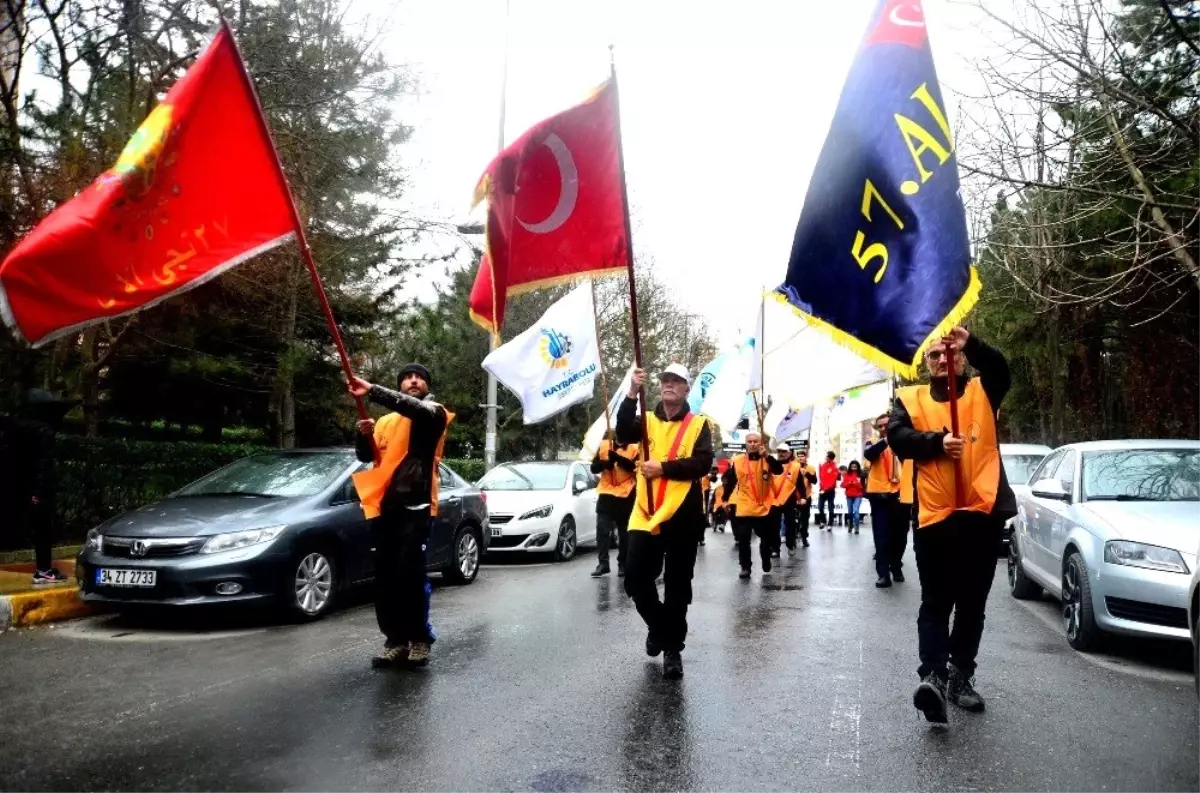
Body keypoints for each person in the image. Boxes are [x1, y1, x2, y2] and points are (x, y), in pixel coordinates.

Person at [888, 326, 1015, 726]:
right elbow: (899, 438)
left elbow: (1001, 369)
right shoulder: (910, 398)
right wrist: (936, 443)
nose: (944, 360)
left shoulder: (982, 389)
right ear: (925, 364)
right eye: (934, 356)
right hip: (935, 515)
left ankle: (962, 676)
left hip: (982, 511)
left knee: (972, 603)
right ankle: (933, 678)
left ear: (960, 357)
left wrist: (972, 342)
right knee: (936, 601)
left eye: (950, 353)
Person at [349, 364, 452, 670]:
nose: (413, 380)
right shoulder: (384, 421)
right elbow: (367, 457)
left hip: (416, 507)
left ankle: (419, 639)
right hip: (383, 507)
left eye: (419, 377)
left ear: (426, 386)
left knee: (410, 575)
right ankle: (395, 640)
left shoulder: (433, 413)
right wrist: (362, 436)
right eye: (407, 377)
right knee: (386, 579)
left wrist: (373, 390)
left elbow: (414, 409)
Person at [620, 364, 714, 681]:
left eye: (676, 381)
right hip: (645, 510)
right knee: (634, 577)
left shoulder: (699, 424)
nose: (669, 385)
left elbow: (702, 463)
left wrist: (663, 468)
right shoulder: (645, 420)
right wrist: (632, 392)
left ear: (687, 389)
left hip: (683, 514)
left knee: (677, 585)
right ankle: (659, 628)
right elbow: (621, 433)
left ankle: (672, 650)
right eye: (665, 381)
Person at [0, 390, 72, 585]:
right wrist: (39, 492)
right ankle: (44, 570)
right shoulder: (43, 432)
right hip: (36, 490)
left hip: (13, 486)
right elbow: (43, 465)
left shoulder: (13, 428)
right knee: (43, 530)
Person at [723, 432, 784, 579]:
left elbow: (779, 470)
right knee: (743, 538)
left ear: (760, 443)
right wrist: (725, 500)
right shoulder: (737, 461)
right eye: (750, 441)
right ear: (746, 444)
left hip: (763, 505)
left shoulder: (767, 459)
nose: (753, 444)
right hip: (745, 504)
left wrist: (767, 456)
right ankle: (745, 567)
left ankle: (765, 557)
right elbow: (730, 482)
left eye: (755, 441)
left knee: (766, 537)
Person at [865, 412, 906, 588]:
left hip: (901, 495)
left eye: (886, 425)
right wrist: (886, 442)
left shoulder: (905, 440)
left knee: (900, 535)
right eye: (880, 426)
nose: (883, 428)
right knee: (881, 536)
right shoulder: (874, 443)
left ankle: (896, 565)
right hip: (880, 496)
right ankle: (883, 574)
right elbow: (869, 455)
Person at [590, 432, 639, 577]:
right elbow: (593, 468)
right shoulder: (604, 446)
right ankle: (603, 564)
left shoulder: (635, 448)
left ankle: (623, 563)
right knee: (602, 530)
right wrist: (604, 464)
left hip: (626, 494)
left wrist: (618, 458)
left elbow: (634, 468)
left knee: (624, 533)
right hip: (606, 494)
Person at [772, 443, 804, 554]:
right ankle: (775, 548)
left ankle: (791, 545)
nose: (781, 454)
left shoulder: (795, 466)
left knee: (790, 523)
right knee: (774, 525)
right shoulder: (771, 465)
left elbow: (800, 484)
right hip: (774, 499)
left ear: (789, 453)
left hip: (789, 499)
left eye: (783, 451)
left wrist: (803, 497)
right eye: (779, 451)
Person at [795, 450, 817, 547]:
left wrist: (806, 473)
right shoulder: (793, 467)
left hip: (806, 496)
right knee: (794, 519)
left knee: (804, 519)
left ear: (805, 457)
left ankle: (804, 538)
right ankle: (794, 536)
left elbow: (814, 481)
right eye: (798, 456)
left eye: (802, 456)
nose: (800, 458)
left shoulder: (811, 468)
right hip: (794, 497)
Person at [817, 451, 840, 530]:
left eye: (827, 456)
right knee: (820, 507)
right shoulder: (823, 465)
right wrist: (821, 486)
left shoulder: (835, 468)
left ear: (830, 458)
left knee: (830, 508)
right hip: (822, 490)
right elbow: (821, 477)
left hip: (830, 491)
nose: (825, 457)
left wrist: (826, 488)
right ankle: (823, 521)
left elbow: (833, 481)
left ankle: (830, 523)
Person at [841, 460, 864, 534]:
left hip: (858, 495)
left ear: (858, 467)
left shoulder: (861, 474)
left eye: (855, 467)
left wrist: (856, 483)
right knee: (850, 512)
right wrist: (849, 483)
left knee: (856, 511)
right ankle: (850, 524)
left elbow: (863, 486)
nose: (854, 468)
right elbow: (842, 485)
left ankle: (857, 527)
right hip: (849, 495)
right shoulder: (847, 474)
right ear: (850, 467)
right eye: (852, 467)